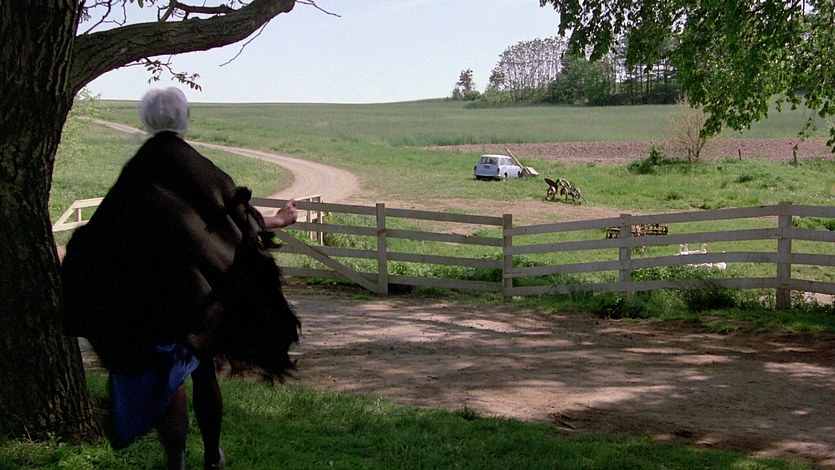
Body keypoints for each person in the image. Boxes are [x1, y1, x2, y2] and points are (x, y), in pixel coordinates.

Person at [61, 87, 301, 470]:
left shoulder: (137, 172)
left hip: (154, 298)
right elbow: (235, 221)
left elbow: (104, 232)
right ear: (185, 118)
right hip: (200, 295)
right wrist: (278, 220)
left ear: (146, 120)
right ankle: (212, 455)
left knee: (168, 379)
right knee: (204, 372)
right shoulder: (202, 169)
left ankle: (177, 460)